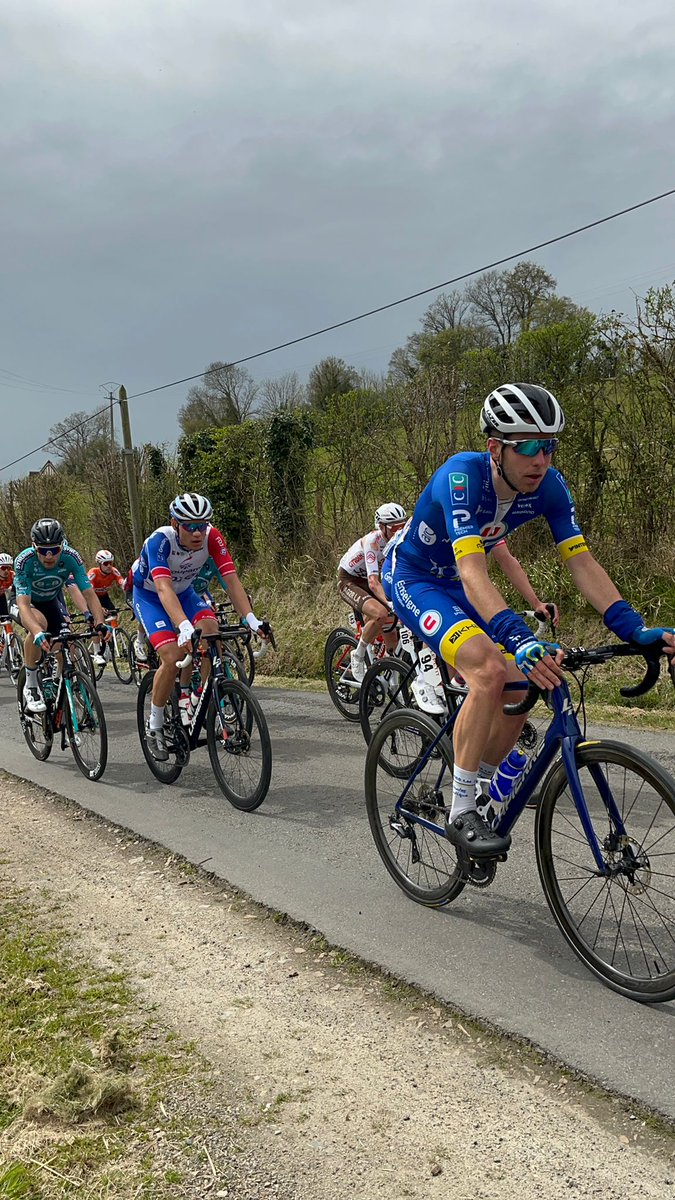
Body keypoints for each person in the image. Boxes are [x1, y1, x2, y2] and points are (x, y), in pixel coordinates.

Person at [390, 382, 675, 860]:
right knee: (489, 669)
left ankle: (477, 781)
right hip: (418, 578)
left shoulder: (550, 488)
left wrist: (632, 627)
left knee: (523, 685)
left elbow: (582, 562)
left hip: (463, 583)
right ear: (495, 447)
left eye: (547, 445)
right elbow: (472, 570)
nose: (539, 459)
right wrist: (517, 636)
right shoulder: (461, 478)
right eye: (526, 446)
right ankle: (461, 810)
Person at [132, 492, 271, 761]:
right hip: (150, 595)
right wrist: (183, 625)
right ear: (175, 524)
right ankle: (155, 724)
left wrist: (252, 620)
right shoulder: (160, 541)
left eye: (202, 525)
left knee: (212, 630)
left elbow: (231, 580)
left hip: (184, 592)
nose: (198, 533)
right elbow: (162, 588)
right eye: (190, 526)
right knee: (171, 658)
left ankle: (203, 694)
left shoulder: (212, 537)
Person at [14, 519, 111, 713]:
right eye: (43, 550)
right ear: (34, 547)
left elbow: (88, 593)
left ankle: (56, 681)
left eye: (54, 550)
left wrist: (100, 623)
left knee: (62, 642)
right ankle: (31, 685)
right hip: (26, 602)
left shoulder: (71, 557)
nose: (49, 556)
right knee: (39, 625)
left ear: (62, 546)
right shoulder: (24, 561)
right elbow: (23, 605)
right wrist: (37, 631)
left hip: (50, 601)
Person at [337, 503, 407, 683]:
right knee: (381, 613)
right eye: (394, 528)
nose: (398, 531)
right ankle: (358, 655)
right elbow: (373, 582)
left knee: (390, 627)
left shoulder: (400, 541)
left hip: (372, 581)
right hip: (350, 580)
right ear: (382, 527)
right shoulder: (373, 542)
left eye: (402, 526)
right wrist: (390, 603)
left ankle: (392, 677)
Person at [87, 550, 125, 660]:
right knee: (97, 622)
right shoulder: (93, 573)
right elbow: (89, 593)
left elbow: (122, 582)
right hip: (92, 597)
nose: (109, 566)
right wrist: (98, 608)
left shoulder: (113, 571)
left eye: (110, 563)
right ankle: (96, 651)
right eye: (105, 563)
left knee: (114, 614)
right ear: (99, 564)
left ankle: (110, 642)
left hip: (104, 597)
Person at [0, 552, 15, 620]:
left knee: (6, 619)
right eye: (3, 568)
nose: (6, 570)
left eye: (9, 568)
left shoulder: (12, 575)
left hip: (1, 596)